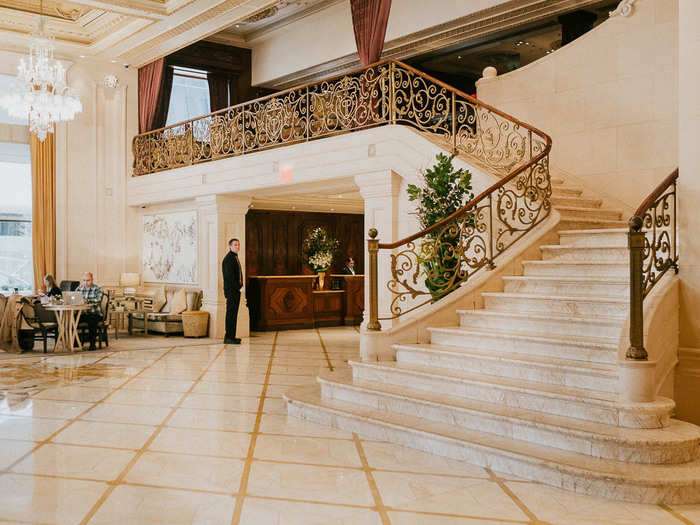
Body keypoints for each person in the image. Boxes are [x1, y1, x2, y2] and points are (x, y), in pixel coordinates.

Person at [222, 238, 243, 344]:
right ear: (230, 246)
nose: (237, 247)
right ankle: (228, 337)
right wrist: (239, 287)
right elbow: (230, 277)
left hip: (235, 291)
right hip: (232, 291)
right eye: (235, 245)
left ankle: (232, 336)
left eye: (238, 245)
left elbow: (238, 274)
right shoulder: (228, 259)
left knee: (234, 314)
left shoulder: (234, 257)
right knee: (231, 314)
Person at [76, 272, 103, 350]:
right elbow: (74, 298)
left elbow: (98, 300)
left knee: (92, 322)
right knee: (71, 320)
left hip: (94, 313)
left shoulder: (97, 288)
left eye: (88, 280)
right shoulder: (79, 288)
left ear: (92, 280)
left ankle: (92, 344)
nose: (86, 282)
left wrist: (87, 301)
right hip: (82, 313)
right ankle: (75, 343)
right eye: (84, 280)